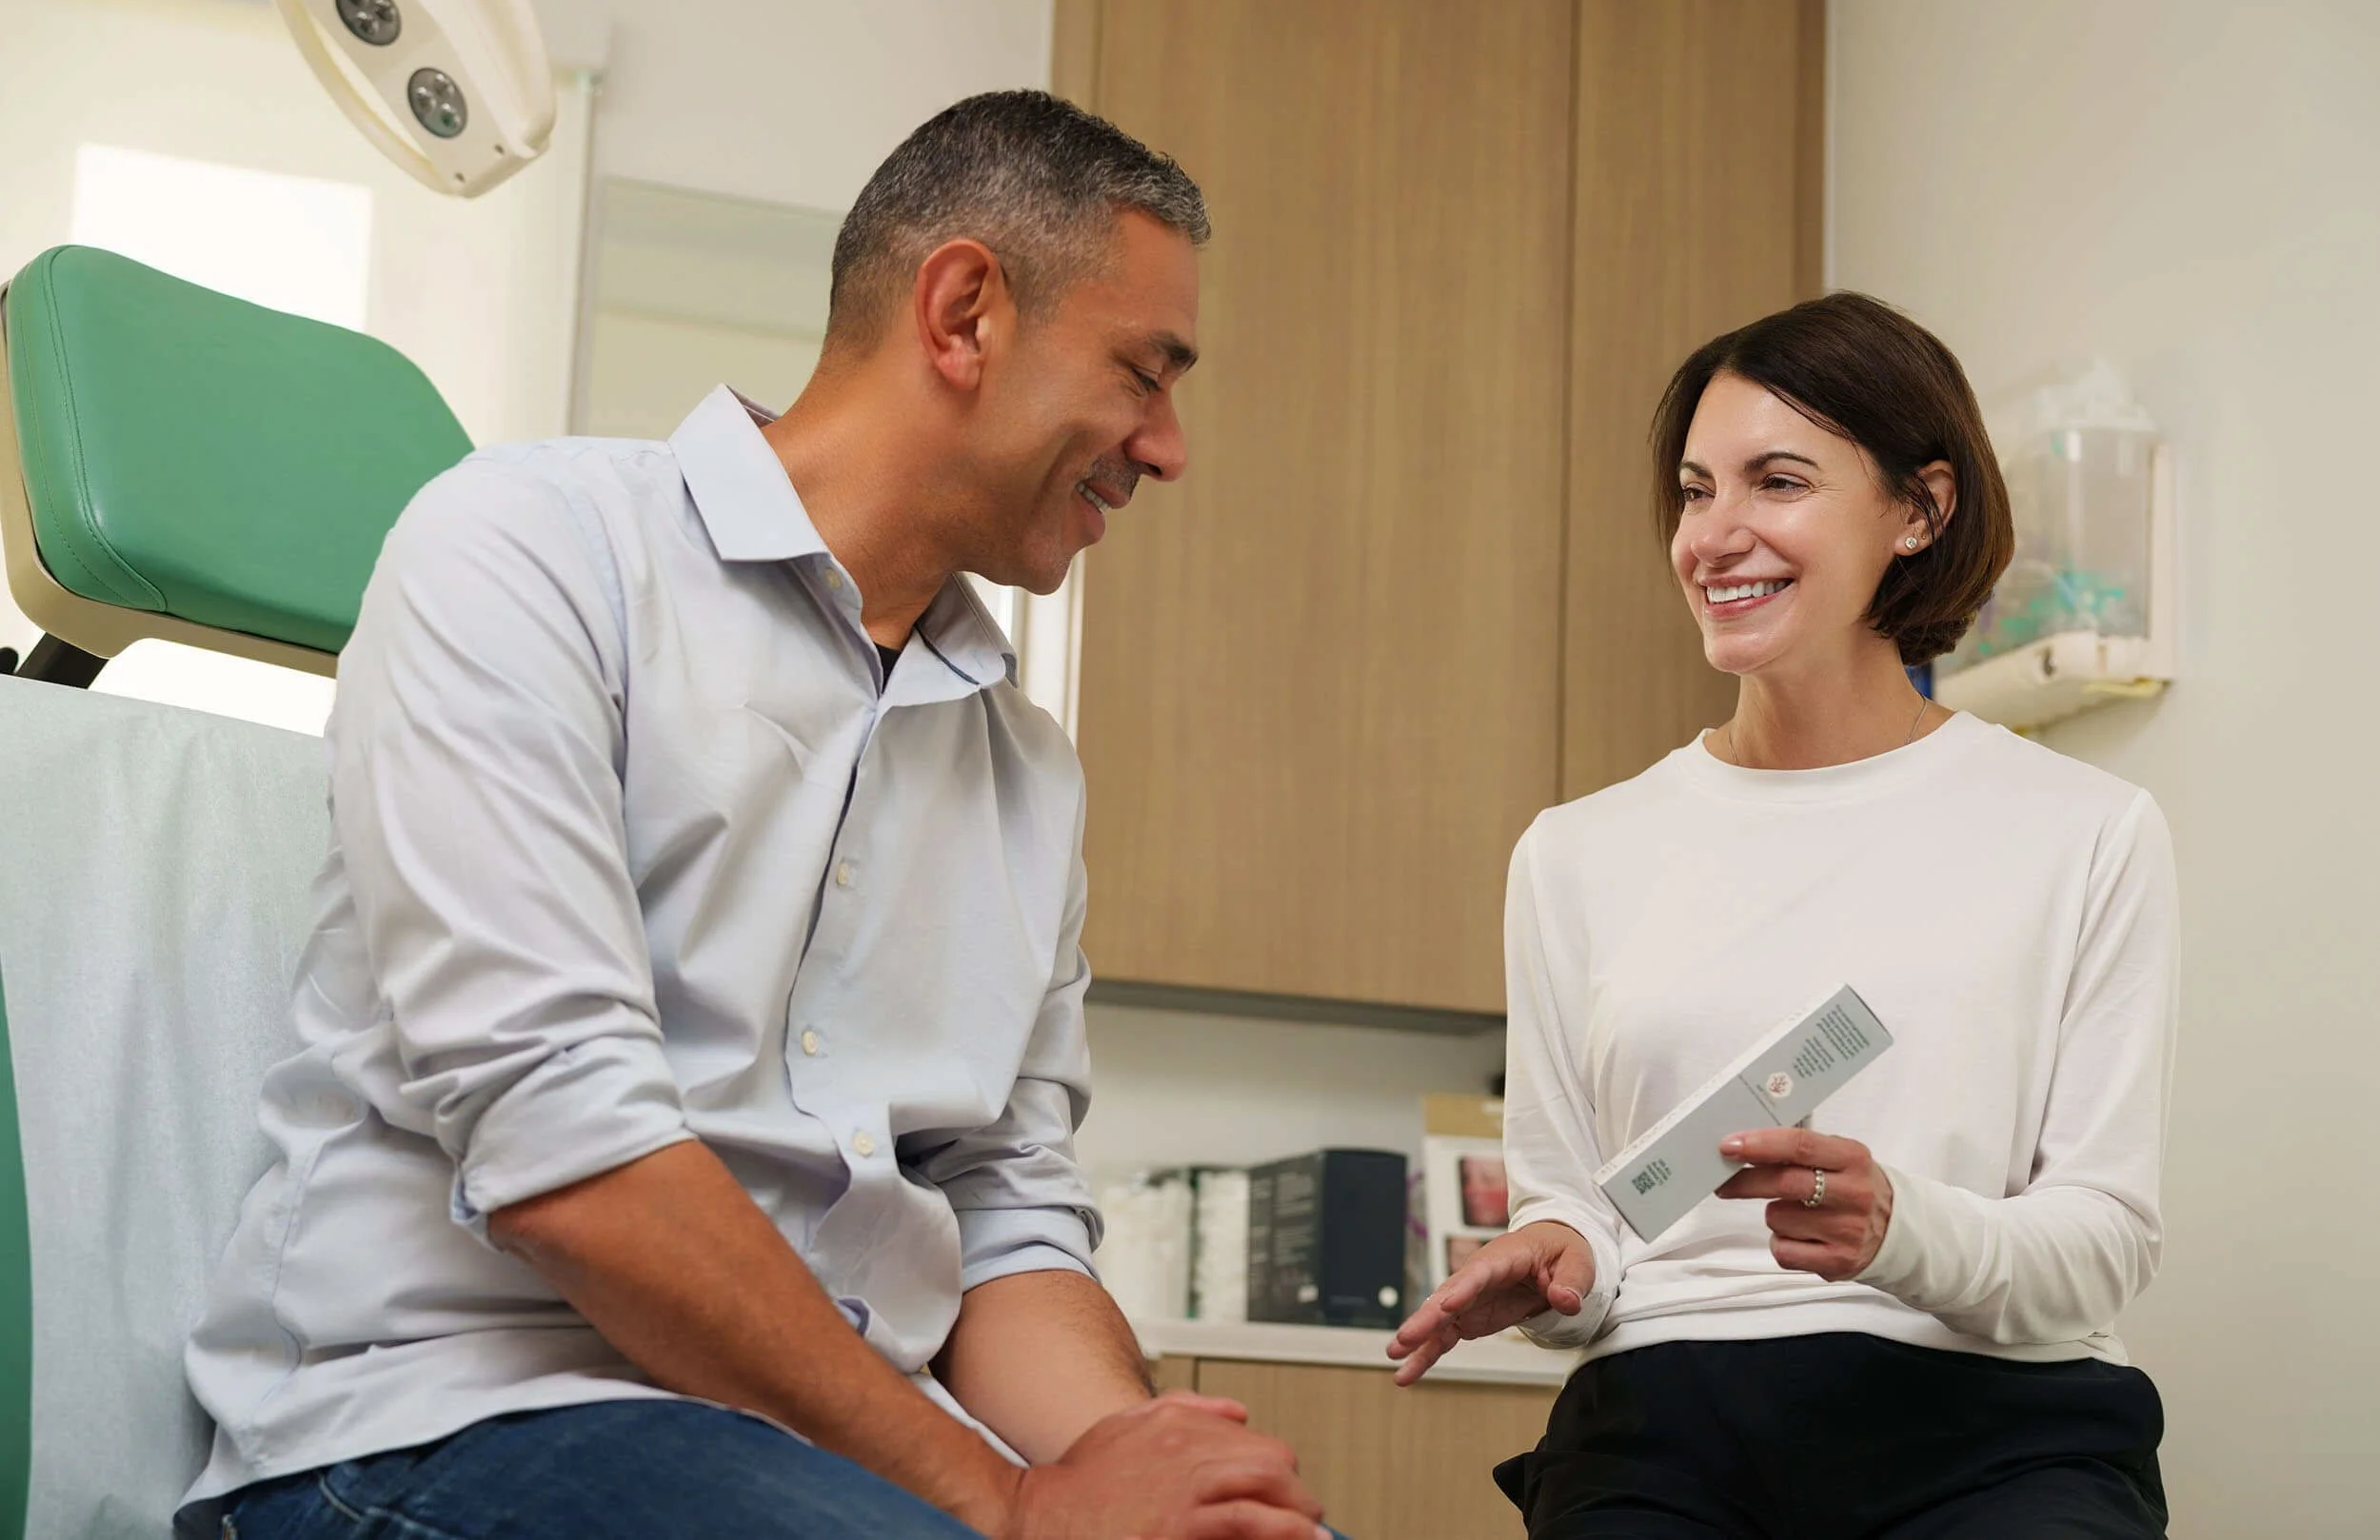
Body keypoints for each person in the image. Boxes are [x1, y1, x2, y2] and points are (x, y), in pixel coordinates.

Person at [179, 90, 1333, 1540]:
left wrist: (1149, 1479)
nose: (1167, 446)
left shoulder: (1027, 770)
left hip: (838, 1458)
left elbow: (1002, 1213)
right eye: (1142, 373)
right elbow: (567, 1156)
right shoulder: (532, 549)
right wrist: (1016, 1503)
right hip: (447, 1418)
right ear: (964, 312)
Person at [1389, 293, 2176, 1539]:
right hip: (1662, 1436)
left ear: (1921, 508)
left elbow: (2101, 1238)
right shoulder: (1576, 854)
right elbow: (1583, 1216)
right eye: (1697, 490)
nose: (1716, 533)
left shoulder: (2085, 832)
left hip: (1999, 1438)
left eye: (1779, 480)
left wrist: (1902, 1227)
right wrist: (1547, 1259)